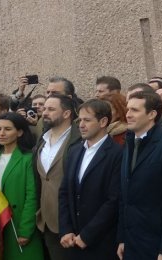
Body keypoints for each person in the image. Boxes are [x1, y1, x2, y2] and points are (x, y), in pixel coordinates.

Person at [118, 91, 162, 260]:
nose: (128, 114)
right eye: (128, 110)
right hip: (132, 243)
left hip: (156, 246)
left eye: (135, 110)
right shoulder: (129, 144)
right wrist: (122, 238)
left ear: (152, 114)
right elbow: (124, 197)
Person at [59, 99, 122, 259]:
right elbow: (64, 192)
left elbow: (114, 200)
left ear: (103, 122)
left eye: (87, 120)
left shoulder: (117, 153)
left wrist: (87, 235)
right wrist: (66, 229)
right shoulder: (74, 150)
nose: (81, 125)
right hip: (72, 241)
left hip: (101, 243)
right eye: (79, 120)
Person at [0, 113, 44, 260]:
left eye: (7, 129)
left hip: (17, 224)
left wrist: (26, 229)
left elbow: (32, 196)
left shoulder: (28, 158)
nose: (1, 133)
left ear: (20, 132)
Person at [34, 94, 82, 260]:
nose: (45, 112)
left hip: (74, 223)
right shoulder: (43, 140)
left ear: (67, 114)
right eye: (44, 108)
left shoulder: (80, 141)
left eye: (51, 109)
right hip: (46, 222)